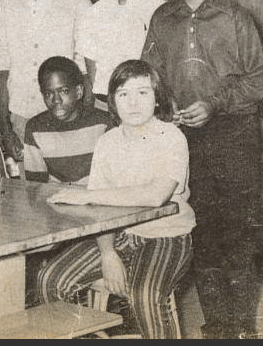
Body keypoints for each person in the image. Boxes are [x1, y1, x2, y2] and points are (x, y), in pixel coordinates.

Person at [140, 0, 263, 339]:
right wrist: (163, 104)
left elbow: (258, 79)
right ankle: (216, 328)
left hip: (236, 139)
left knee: (241, 238)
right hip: (184, 142)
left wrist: (215, 104)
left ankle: (244, 328)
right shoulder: (162, 18)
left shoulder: (235, 17)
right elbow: (149, 76)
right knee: (203, 234)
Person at [38, 59, 195, 339]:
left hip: (167, 236)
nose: (133, 103)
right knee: (50, 280)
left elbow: (155, 196)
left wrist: (87, 195)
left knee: (144, 294)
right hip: (118, 234)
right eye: (123, 94)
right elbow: (100, 210)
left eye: (142, 93)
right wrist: (107, 253)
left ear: (157, 99)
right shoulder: (108, 141)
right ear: (113, 101)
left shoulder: (172, 137)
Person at [0, 0, 92, 169]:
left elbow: (84, 68)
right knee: (30, 195)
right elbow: (2, 67)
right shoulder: (6, 3)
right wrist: (5, 126)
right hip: (21, 117)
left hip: (66, 116)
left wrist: (84, 121)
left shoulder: (77, 2)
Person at [76, 0, 165, 110]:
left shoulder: (158, 10)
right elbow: (92, 73)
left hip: (146, 107)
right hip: (105, 106)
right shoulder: (92, 14)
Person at [23, 56, 114, 185]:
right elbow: (36, 186)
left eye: (64, 91)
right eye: (48, 93)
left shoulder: (104, 123)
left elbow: (114, 180)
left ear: (78, 91)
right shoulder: (35, 128)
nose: (56, 100)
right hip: (55, 200)